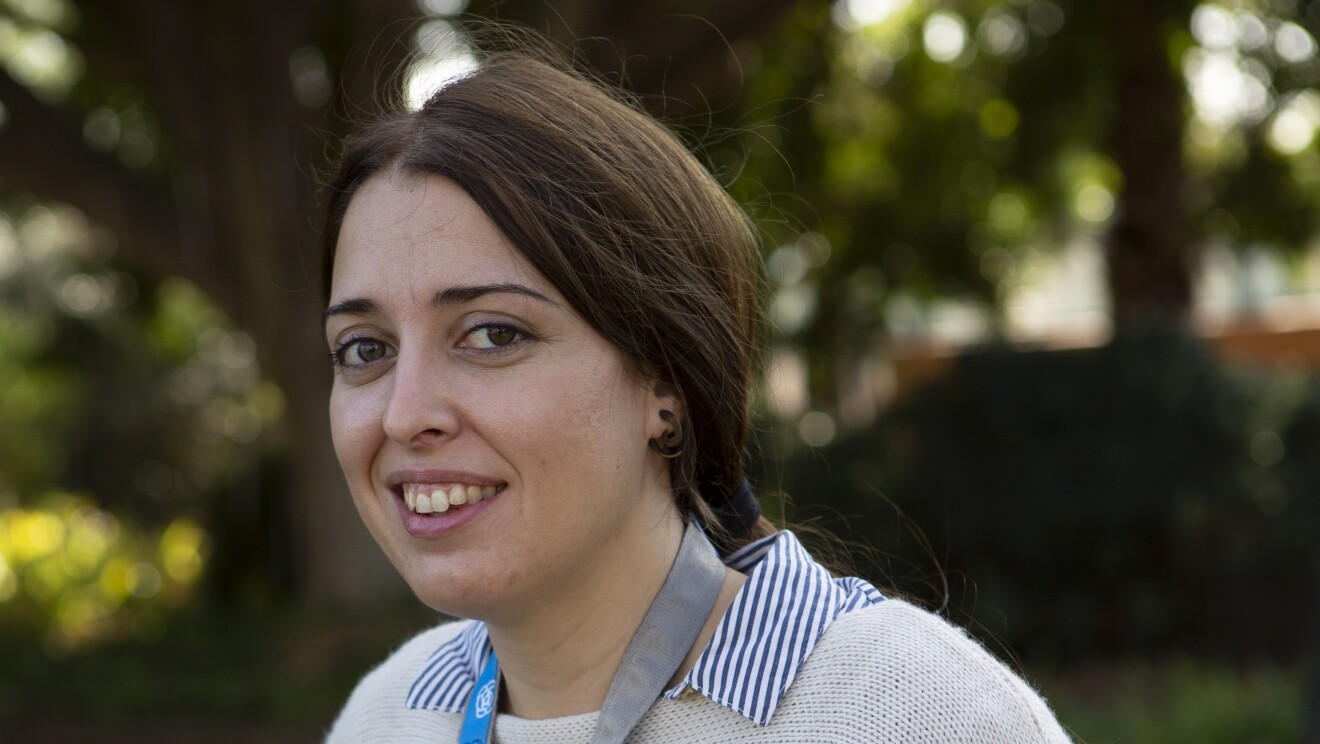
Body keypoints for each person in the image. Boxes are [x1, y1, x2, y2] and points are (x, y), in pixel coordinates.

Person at [320, 38, 1072, 743]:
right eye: (365, 349)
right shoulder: (388, 716)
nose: (405, 413)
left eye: (493, 334)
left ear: (666, 383)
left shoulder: (914, 715)